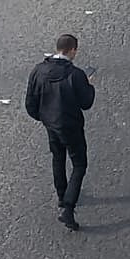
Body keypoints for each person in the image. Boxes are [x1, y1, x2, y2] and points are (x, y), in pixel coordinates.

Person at [25, 33, 96, 231]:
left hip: (51, 125)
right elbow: (86, 102)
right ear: (72, 50)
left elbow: (30, 103)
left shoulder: (38, 70)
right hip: (71, 126)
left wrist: (45, 119)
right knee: (79, 164)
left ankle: (61, 195)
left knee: (58, 158)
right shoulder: (76, 75)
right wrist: (89, 85)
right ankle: (68, 207)